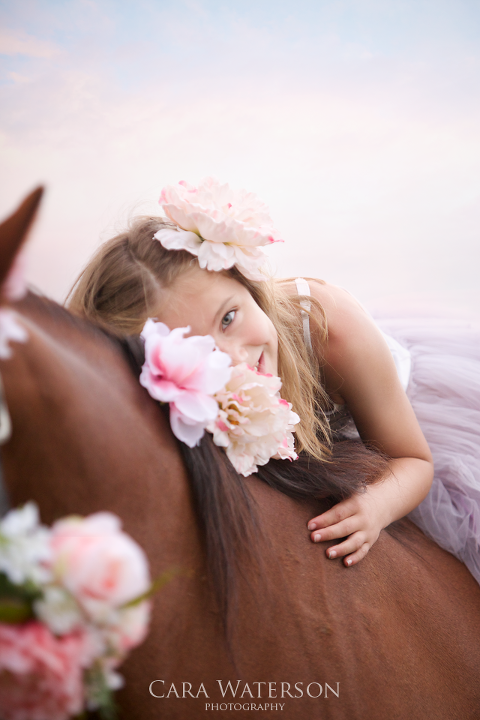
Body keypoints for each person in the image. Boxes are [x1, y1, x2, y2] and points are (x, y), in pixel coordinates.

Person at [67, 178, 480, 584]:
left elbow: (414, 461)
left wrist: (377, 506)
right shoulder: (186, 396)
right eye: (200, 356)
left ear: (244, 282)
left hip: (405, 418)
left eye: (229, 318)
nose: (235, 361)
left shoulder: (329, 329)